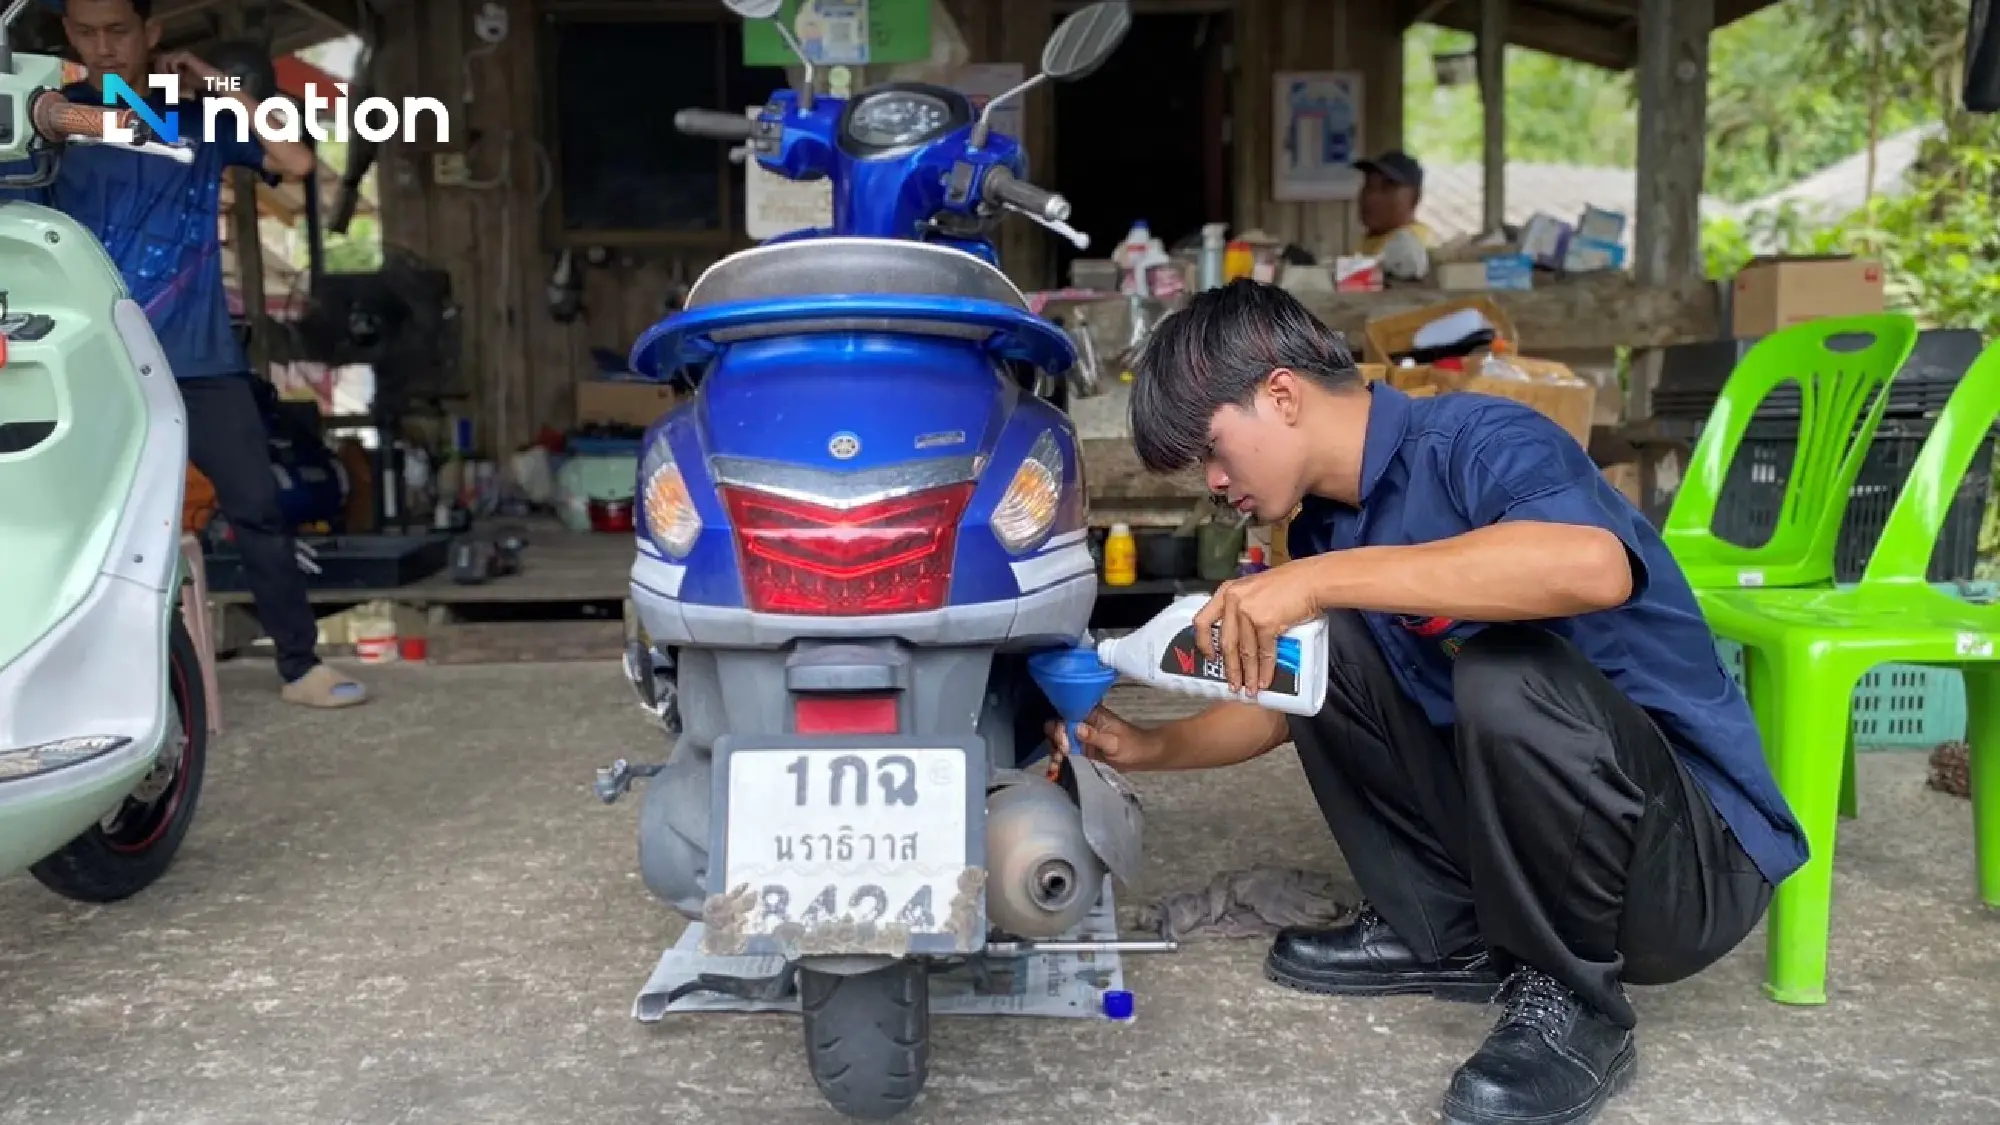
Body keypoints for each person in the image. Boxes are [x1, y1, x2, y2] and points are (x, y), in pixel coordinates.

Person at [1052, 280, 1803, 1125]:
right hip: (1539, 854)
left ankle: (1578, 1005)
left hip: (1688, 864)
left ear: (1282, 393)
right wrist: (1151, 748)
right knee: (1336, 649)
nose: (1216, 482)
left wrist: (1316, 581)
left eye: (1215, 449)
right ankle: (1440, 932)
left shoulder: (1481, 441)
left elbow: (1593, 567)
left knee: (1503, 669)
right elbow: (1287, 702)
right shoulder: (1324, 529)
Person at [8, 0, 365, 707]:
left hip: (199, 356)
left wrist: (213, 78)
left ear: (151, 32)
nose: (104, 46)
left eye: (118, 31)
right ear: (68, 37)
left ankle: (299, 666)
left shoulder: (201, 112)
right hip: (93, 360)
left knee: (258, 505)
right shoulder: (48, 115)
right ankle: (80, 683)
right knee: (77, 522)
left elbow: (296, 160)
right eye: (86, 33)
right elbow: (32, 174)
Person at [1355, 150, 1438, 280]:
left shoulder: (1408, 244)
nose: (1371, 197)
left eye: (1386, 188)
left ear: (1415, 198)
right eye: (1368, 186)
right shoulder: (1378, 237)